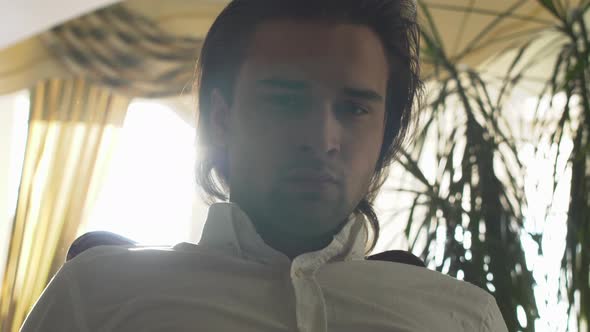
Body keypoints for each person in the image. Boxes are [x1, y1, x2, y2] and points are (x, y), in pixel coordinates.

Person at [21, 0, 508, 331]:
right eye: (285, 102)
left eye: (355, 108)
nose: (322, 140)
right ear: (220, 117)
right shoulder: (97, 296)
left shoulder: (464, 316)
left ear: (385, 132)